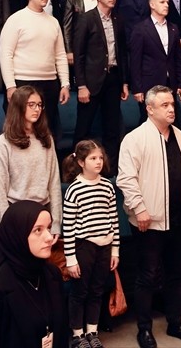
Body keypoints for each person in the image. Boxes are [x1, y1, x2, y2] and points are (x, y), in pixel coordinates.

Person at [117, 85, 181, 348]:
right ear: (149, 109)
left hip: (177, 218)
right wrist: (139, 208)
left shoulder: (179, 136)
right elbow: (126, 179)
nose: (171, 109)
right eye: (164, 105)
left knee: (178, 273)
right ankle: (144, 329)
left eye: (172, 104)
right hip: (148, 221)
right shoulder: (135, 139)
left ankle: (175, 323)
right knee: (147, 276)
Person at [0, 200, 67, 348]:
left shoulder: (52, 274)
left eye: (48, 228)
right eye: (38, 230)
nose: (49, 237)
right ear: (17, 235)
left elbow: (61, 335)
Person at [61, 140, 120, 348]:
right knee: (79, 292)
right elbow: (67, 228)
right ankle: (77, 334)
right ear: (80, 162)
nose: (98, 162)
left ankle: (92, 331)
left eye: (100, 158)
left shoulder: (107, 186)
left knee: (97, 290)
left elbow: (114, 220)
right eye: (93, 158)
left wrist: (115, 250)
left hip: (105, 247)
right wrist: (70, 259)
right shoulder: (74, 190)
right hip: (84, 247)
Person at [0, 0, 69, 135]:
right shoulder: (15, 19)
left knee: (47, 132)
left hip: (50, 83)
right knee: (21, 132)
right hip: (23, 81)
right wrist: (10, 86)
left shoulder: (53, 22)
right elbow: (5, 55)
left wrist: (65, 83)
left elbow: (60, 55)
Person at [0, 85, 62, 233]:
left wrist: (56, 224)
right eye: (31, 105)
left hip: (43, 210)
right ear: (19, 107)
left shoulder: (46, 139)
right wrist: (5, 225)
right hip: (16, 212)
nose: (37, 109)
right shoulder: (4, 142)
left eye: (39, 105)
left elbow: (54, 183)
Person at [71, 0, 128, 160]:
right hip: (91, 81)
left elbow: (122, 53)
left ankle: (108, 169)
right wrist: (81, 85)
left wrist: (124, 82)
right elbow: (78, 55)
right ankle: (76, 167)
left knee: (112, 128)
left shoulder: (118, 19)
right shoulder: (86, 19)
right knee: (83, 128)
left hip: (113, 78)